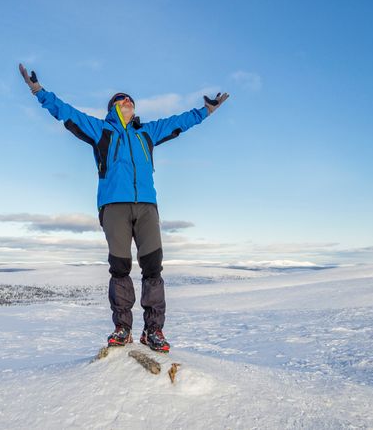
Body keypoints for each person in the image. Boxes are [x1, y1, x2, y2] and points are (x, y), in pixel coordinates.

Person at [19, 63, 229, 352]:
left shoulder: (147, 133)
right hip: (114, 206)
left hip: (146, 206)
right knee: (120, 269)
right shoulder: (101, 131)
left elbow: (179, 122)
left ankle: (153, 331)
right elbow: (67, 113)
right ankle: (123, 328)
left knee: (153, 269)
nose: (128, 101)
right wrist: (39, 92)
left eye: (130, 99)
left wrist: (206, 111)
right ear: (113, 108)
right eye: (122, 99)